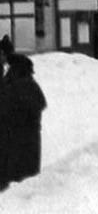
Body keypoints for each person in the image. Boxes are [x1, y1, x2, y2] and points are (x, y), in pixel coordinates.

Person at [0, 53, 47, 191]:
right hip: (25, 141)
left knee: (16, 178)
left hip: (17, 140)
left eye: (10, 68)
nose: (8, 70)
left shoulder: (18, 85)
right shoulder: (28, 84)